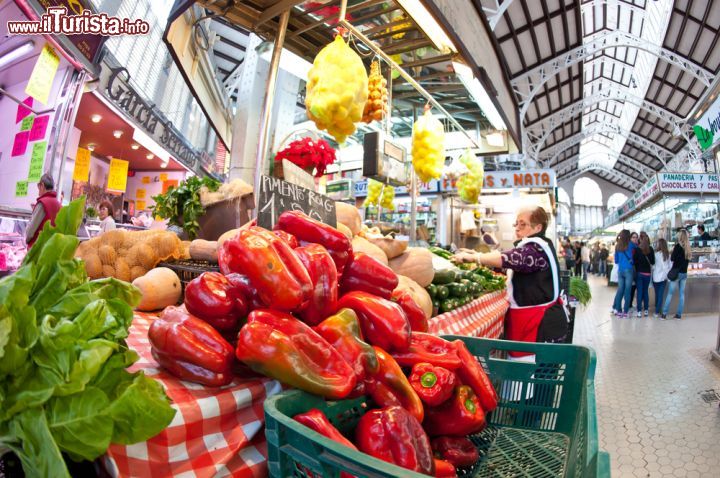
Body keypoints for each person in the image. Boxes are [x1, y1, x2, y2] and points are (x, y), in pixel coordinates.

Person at [452, 206, 568, 352]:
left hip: (541, 324)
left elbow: (513, 259)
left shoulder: (536, 248)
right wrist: (475, 253)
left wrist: (475, 257)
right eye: (516, 224)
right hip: (534, 319)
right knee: (527, 367)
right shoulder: (536, 246)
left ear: (538, 227)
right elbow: (511, 266)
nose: (517, 228)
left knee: (535, 370)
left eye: (523, 224)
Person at [661, 229, 692, 320]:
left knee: (670, 293)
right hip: (684, 273)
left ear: (680, 236)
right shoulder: (688, 248)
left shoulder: (678, 247)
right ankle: (678, 315)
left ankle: (664, 314)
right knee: (682, 294)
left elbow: (672, 259)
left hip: (676, 273)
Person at [25, 174, 62, 248]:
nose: (38, 190)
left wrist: (25, 241)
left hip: (37, 250)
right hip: (51, 249)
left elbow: (29, 232)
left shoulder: (42, 204)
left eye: (38, 186)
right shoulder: (59, 205)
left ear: (42, 185)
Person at [612, 229, 637, 318]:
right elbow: (638, 249)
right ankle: (625, 312)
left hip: (620, 271)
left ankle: (619, 311)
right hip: (629, 270)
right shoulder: (631, 244)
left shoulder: (618, 246)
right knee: (627, 291)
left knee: (620, 291)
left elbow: (616, 260)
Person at [633, 232, 655, 317]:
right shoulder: (651, 249)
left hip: (639, 274)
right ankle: (646, 310)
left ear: (640, 239)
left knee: (639, 292)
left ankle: (639, 311)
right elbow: (653, 262)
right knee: (645, 292)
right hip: (647, 274)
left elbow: (635, 262)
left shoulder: (637, 249)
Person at [652, 238, 672, 318]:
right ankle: (657, 311)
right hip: (663, 278)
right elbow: (669, 266)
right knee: (660, 295)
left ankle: (657, 310)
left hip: (655, 277)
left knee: (657, 294)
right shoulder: (668, 254)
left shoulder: (655, 254)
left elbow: (653, 266)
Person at [627, 231, 639, 311]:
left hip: (636, 269)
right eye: (633, 237)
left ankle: (630, 304)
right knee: (631, 287)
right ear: (630, 238)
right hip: (632, 268)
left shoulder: (636, 246)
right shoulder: (630, 246)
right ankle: (629, 304)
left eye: (636, 237)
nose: (635, 239)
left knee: (633, 287)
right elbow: (631, 258)